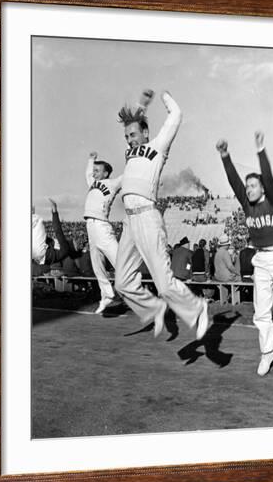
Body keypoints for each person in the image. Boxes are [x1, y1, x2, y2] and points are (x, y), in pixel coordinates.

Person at [114, 89, 208, 339]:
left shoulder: (158, 147)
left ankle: (197, 307)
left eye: (133, 135)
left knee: (164, 284)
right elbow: (134, 125)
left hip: (147, 217)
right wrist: (141, 105)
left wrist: (165, 96)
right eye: (127, 136)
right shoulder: (129, 152)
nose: (130, 140)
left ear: (146, 133)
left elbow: (175, 115)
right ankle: (154, 309)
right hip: (129, 223)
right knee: (122, 282)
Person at [217, 131, 273, 381]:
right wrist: (225, 155)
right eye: (247, 186)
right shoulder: (246, 203)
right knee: (261, 313)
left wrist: (261, 151)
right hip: (261, 260)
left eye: (252, 185)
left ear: (262, 188)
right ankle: (267, 353)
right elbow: (233, 181)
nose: (248, 189)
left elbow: (268, 176)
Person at [84, 152, 122, 314]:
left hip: (101, 226)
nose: (94, 173)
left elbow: (127, 174)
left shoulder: (112, 183)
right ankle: (106, 295)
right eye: (94, 170)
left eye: (97, 170)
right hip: (90, 227)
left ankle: (140, 292)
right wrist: (91, 159)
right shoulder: (92, 182)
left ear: (106, 173)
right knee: (97, 266)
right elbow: (87, 172)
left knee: (120, 262)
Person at [32, 198, 70, 275]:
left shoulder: (65, 247)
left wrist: (54, 212)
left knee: (37, 219)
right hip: (38, 256)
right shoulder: (61, 252)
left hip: (41, 253)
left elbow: (58, 230)